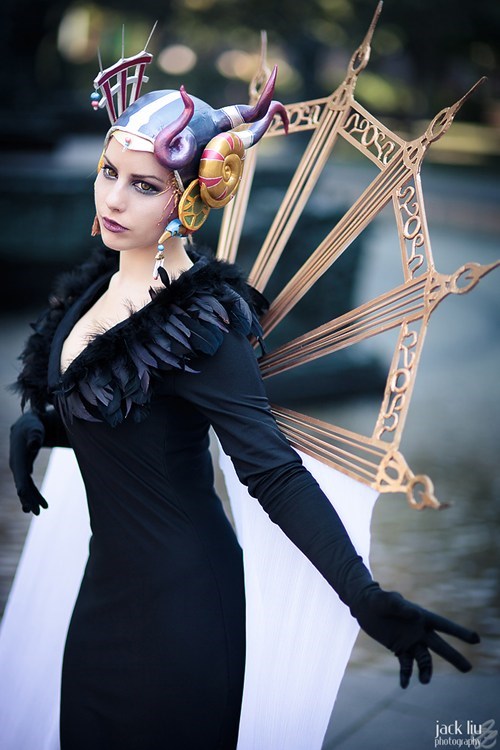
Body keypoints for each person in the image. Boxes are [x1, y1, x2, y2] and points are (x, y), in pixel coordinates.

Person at [5, 41, 479, 750]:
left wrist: (365, 597)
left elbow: (274, 473)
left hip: (182, 620)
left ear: (192, 195)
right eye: (109, 172)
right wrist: (47, 426)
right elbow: (132, 416)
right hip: (103, 600)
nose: (113, 198)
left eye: (144, 185)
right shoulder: (99, 285)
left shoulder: (201, 325)